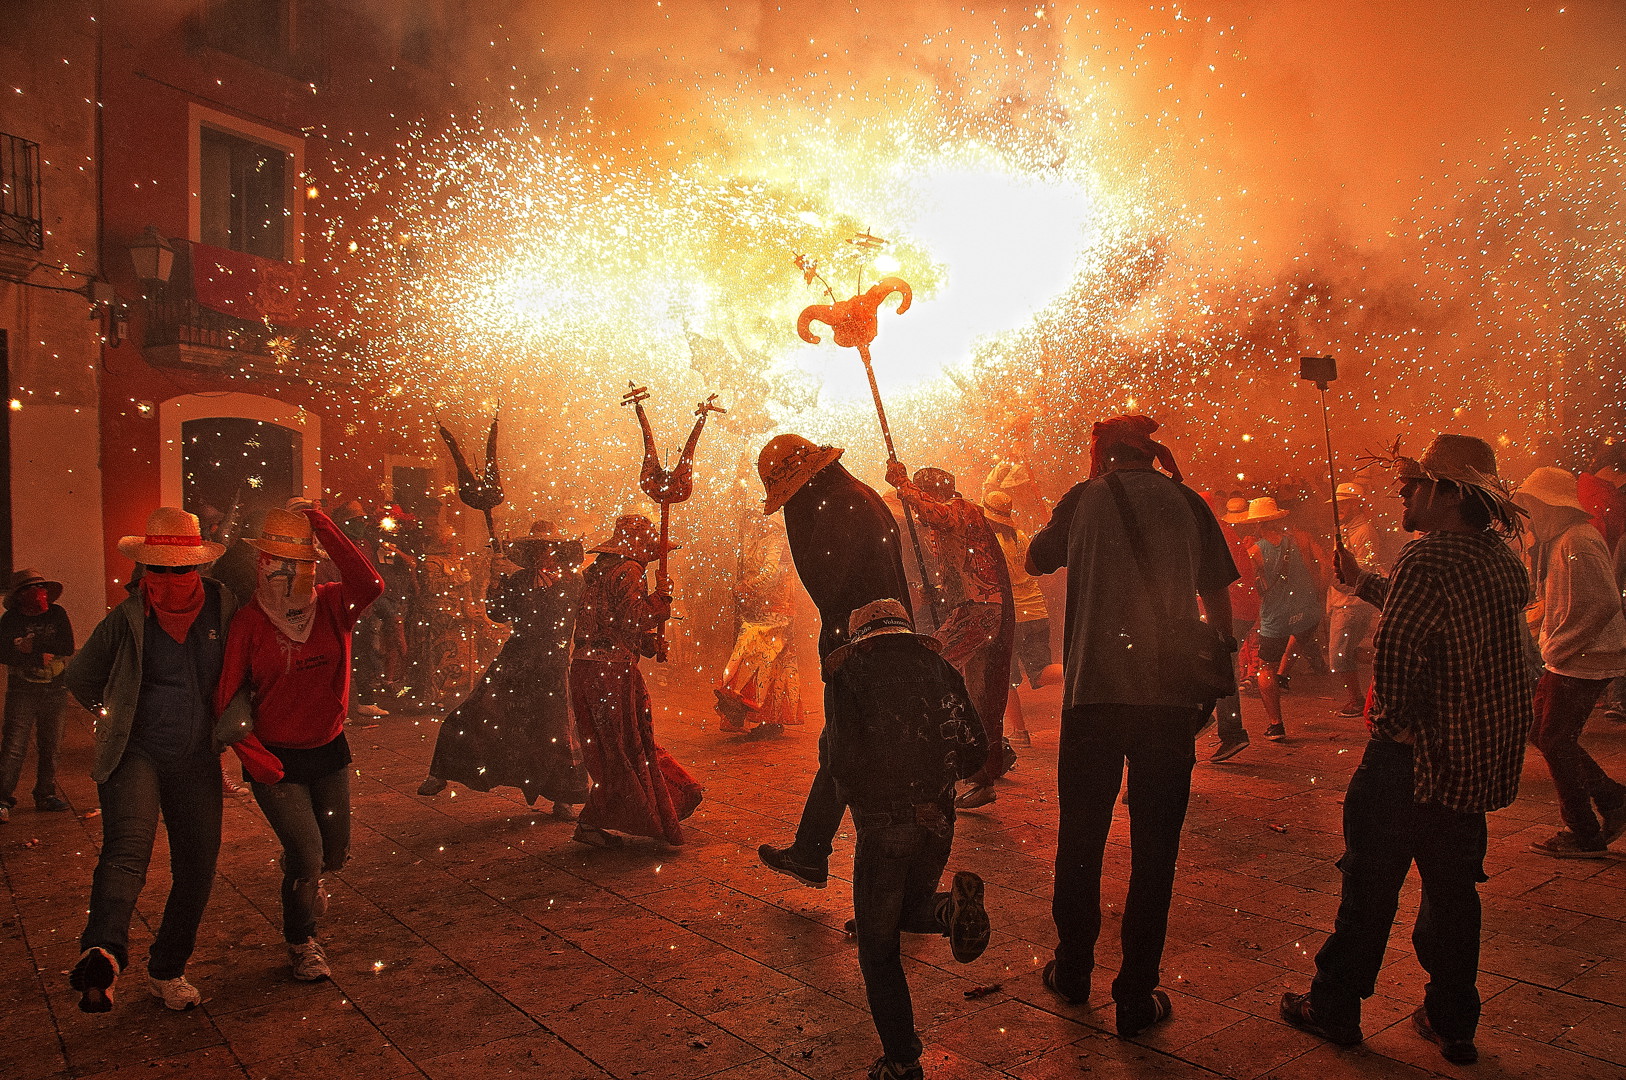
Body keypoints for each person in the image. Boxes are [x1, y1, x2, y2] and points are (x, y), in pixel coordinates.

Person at [1281, 434, 1534, 1067]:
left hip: (1409, 763)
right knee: (1452, 895)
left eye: (1416, 485)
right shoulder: (1499, 558)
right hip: (1467, 765)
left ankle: (1335, 1006)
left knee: (1368, 889)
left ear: (1448, 494)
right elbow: (1439, 610)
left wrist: (1392, 729)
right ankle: (1453, 1021)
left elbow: (1396, 655)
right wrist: (1364, 582)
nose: (1404, 494)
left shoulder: (1427, 558)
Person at [1027, 414, 1237, 1038]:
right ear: (1150, 453)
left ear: (1102, 453)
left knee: (1080, 839)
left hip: (1092, 698)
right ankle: (1136, 995)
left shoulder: (1083, 499)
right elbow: (1218, 595)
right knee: (1155, 851)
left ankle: (1072, 970)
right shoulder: (1188, 502)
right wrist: (1218, 662)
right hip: (1167, 702)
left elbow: (1036, 559)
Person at [63, 507, 246, 1012]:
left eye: (179, 569)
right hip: (134, 754)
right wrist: (116, 717)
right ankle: (102, 954)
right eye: (157, 570)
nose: (167, 580)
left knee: (198, 865)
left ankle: (167, 969)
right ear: (144, 569)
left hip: (196, 756)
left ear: (198, 567)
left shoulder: (224, 607)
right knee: (127, 851)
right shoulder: (126, 619)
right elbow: (80, 678)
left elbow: (245, 666)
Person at [215, 505, 385, 982]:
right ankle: (301, 940)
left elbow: (371, 584)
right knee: (309, 856)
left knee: (334, 854)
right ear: (261, 564)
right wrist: (255, 759)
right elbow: (225, 698)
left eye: (298, 563)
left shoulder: (332, 604)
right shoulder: (249, 622)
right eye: (276, 562)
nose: (286, 574)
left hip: (328, 749)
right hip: (277, 758)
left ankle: (302, 875)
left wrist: (323, 524)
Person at [824, 599, 991, 1080]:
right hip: (938, 819)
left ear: (862, 638)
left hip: (884, 824)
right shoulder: (941, 670)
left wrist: (858, 796)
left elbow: (841, 762)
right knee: (909, 906)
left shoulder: (849, 675)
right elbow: (976, 749)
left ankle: (901, 1061)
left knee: (878, 948)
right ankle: (948, 910)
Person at [754, 434, 913, 889]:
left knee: (854, 755)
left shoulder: (836, 508)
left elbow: (828, 586)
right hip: (887, 642)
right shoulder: (858, 496)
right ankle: (811, 850)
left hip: (863, 650)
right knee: (843, 748)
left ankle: (881, 889)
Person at [420, 521, 589, 818]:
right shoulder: (519, 579)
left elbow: (566, 615)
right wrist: (496, 582)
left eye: (548, 548)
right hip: (516, 658)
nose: (543, 554)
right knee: (478, 711)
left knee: (555, 731)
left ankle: (563, 799)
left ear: (559, 551)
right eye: (537, 549)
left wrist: (547, 593)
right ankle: (442, 771)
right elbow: (499, 614)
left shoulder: (572, 582)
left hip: (552, 663)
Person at [887, 463, 1015, 808]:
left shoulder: (961, 508)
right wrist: (936, 592)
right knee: (976, 692)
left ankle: (930, 758)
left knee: (929, 666)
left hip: (979, 610)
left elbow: (936, 513)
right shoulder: (950, 519)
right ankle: (982, 774)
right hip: (974, 608)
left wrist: (902, 483)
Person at [1513, 468, 1626, 857]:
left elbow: (1604, 601)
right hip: (1571, 656)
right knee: (1541, 732)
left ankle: (1584, 832)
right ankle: (1612, 800)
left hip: (1582, 659)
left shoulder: (1577, 539)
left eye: (1533, 504)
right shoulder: (1564, 539)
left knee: (1555, 739)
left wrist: (1561, 646)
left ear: (1549, 504)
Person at [570, 514, 702, 847]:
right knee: (625, 747)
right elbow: (633, 617)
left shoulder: (600, 570)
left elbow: (610, 623)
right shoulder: (629, 569)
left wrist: (648, 643)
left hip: (586, 669)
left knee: (612, 748)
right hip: (611, 673)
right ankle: (604, 817)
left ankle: (641, 807)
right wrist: (662, 600)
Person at [1233, 496, 1320, 741]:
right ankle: (1284, 674)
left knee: (1265, 668)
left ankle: (1275, 724)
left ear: (1258, 524)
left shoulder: (1255, 550)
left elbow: (1246, 584)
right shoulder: (1297, 541)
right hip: (1305, 609)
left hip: (1276, 615)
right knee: (1300, 634)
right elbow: (1312, 568)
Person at [982, 491, 1061, 749]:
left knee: (1006, 675)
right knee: (1040, 671)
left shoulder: (991, 542)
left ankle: (1020, 732)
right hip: (1037, 610)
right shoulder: (1021, 536)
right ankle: (1076, 672)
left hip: (1013, 614)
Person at [0, 570, 75, 821]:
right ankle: (2, 798)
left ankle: (45, 794)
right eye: (31, 588)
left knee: (51, 744)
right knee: (14, 745)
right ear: (19, 595)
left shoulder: (57, 613)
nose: (38, 593)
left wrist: (34, 647)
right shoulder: (11, 619)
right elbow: (3, 652)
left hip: (55, 687)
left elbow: (67, 646)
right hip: (22, 688)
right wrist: (32, 658)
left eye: (41, 587)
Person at [715, 524, 803, 737]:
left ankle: (745, 705)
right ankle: (768, 717)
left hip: (777, 609)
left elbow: (770, 574)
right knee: (771, 662)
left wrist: (747, 586)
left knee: (756, 653)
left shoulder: (777, 538)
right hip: (763, 606)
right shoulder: (756, 537)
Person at [1327, 484, 1385, 718]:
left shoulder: (1365, 531)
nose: (1340, 508)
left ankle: (1357, 700)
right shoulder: (1344, 529)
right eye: (1338, 504)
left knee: (1338, 655)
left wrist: (1341, 580)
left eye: (1344, 503)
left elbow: (1365, 570)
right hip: (1342, 600)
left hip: (1351, 603)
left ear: (1356, 504)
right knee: (1346, 651)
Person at [1210, 496, 1260, 761]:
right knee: (1214, 666)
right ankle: (1204, 720)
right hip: (1241, 610)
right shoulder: (1223, 531)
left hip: (1234, 611)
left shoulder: (1214, 534)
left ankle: (1232, 732)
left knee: (1221, 669)